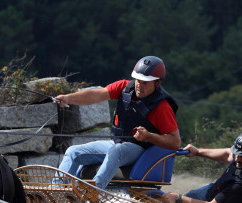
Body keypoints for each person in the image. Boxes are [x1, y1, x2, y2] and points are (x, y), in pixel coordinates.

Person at [54, 56, 181, 190]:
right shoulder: (123, 87)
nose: (139, 85)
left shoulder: (162, 107)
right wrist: (68, 98)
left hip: (139, 150)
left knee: (116, 150)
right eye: (138, 80)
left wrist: (148, 136)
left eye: (145, 83)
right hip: (115, 143)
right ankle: (57, 191)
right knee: (73, 151)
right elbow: (96, 95)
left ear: (157, 83)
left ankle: (94, 193)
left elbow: (175, 142)